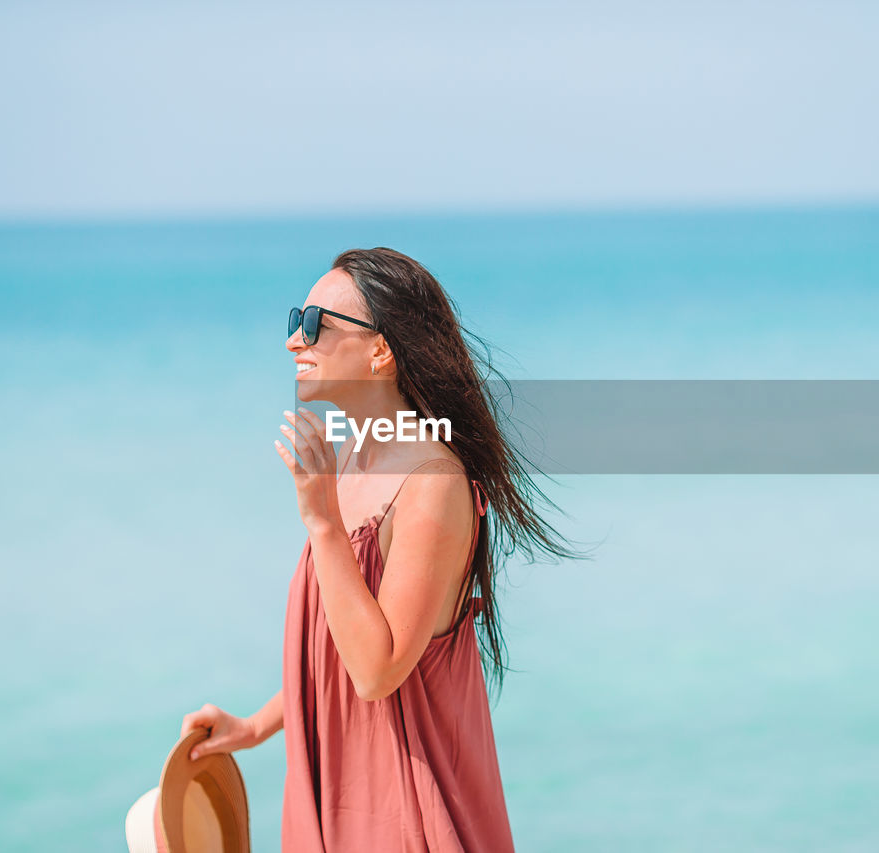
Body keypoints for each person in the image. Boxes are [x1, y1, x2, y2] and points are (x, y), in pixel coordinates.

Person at [178, 248, 582, 851]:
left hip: (407, 812)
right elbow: (339, 643)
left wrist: (321, 522)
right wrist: (256, 726)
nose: (294, 340)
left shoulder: (432, 483)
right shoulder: (356, 461)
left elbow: (376, 670)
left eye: (314, 324)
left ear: (380, 350)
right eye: (295, 320)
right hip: (337, 796)